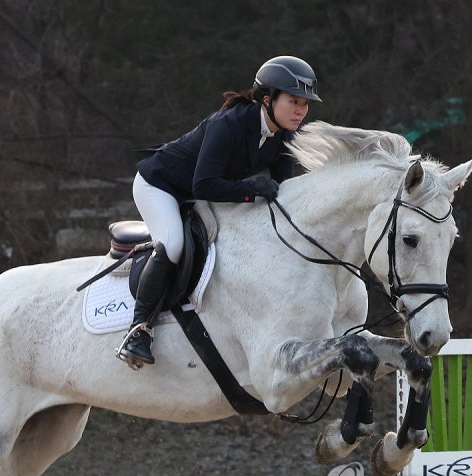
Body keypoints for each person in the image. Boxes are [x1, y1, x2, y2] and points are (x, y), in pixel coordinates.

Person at [117, 55, 322, 368]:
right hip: (159, 186)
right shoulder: (228, 125)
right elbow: (205, 186)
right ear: (267, 100)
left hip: (199, 190)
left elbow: (283, 190)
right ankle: (138, 330)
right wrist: (254, 190)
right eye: (294, 101)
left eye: (305, 104)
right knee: (173, 244)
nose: (301, 111)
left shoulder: (283, 134)